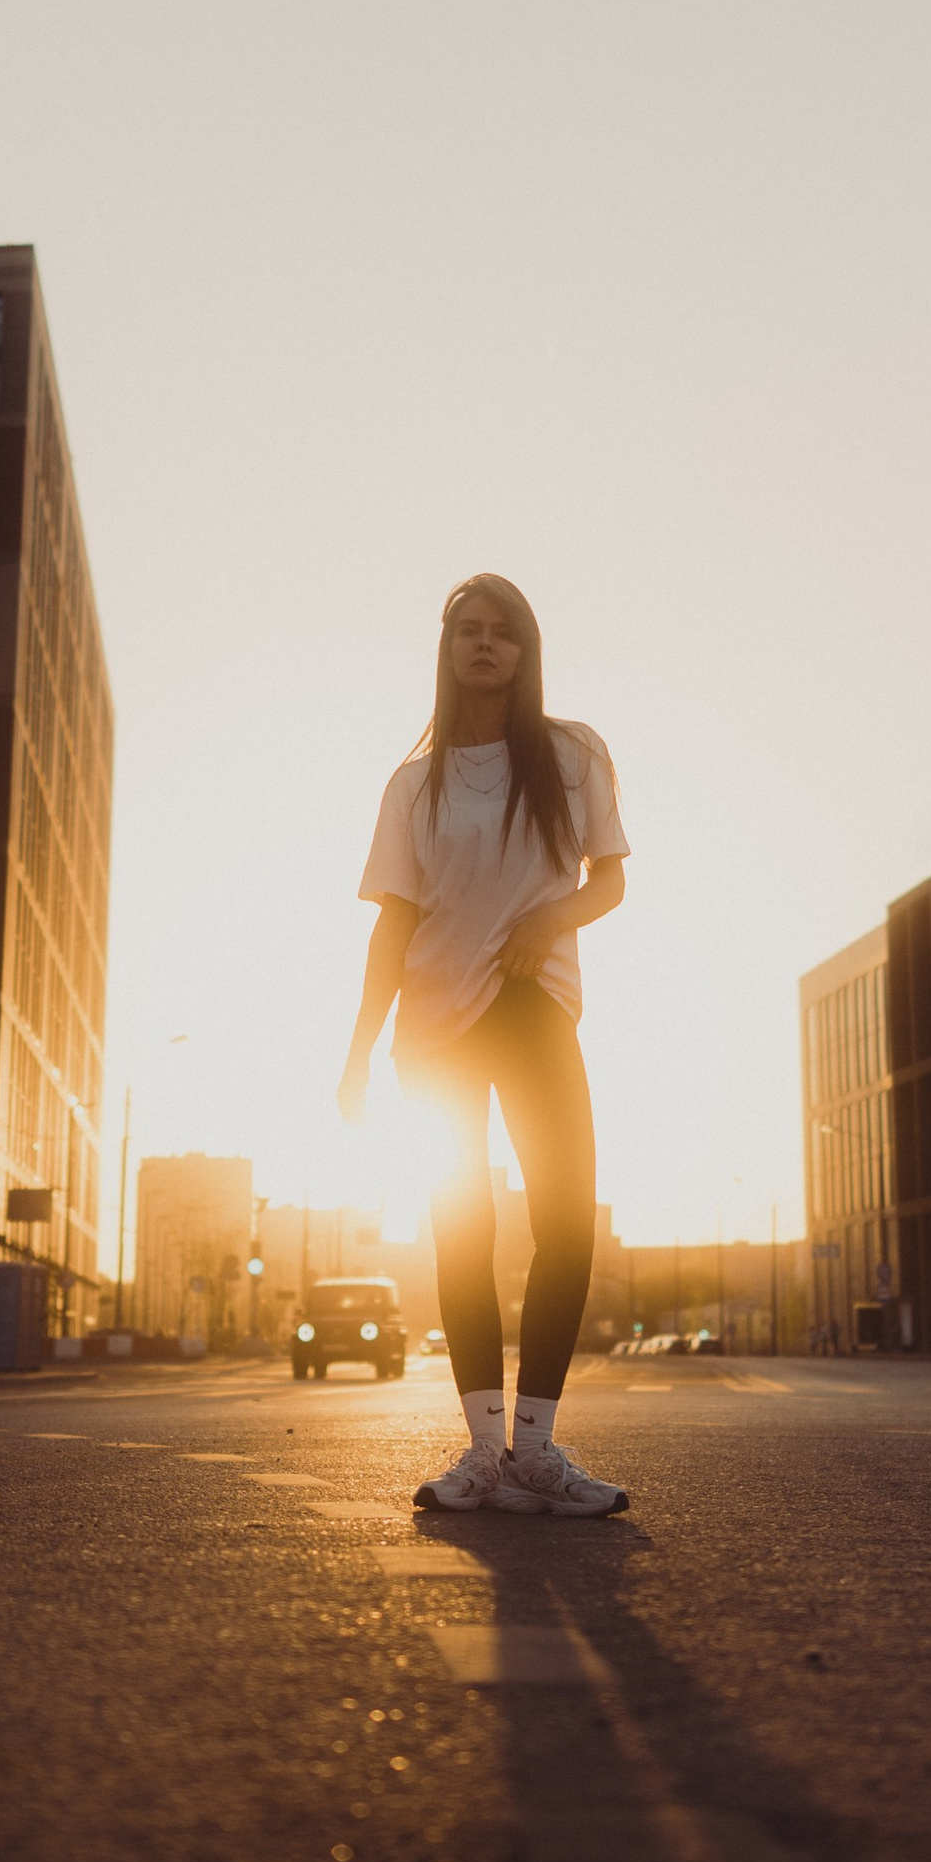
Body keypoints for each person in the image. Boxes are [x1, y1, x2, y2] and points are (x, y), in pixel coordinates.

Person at [338, 575, 631, 1515]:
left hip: (534, 1003)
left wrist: (555, 917)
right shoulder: (412, 784)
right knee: (463, 1235)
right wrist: (356, 1055)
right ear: (447, 647)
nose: (485, 645)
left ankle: (537, 1452)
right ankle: (482, 1452)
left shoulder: (572, 754)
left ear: (526, 650)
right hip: (434, 1032)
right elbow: (391, 930)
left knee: (566, 1223)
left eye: (505, 632)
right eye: (469, 629)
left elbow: (610, 880)